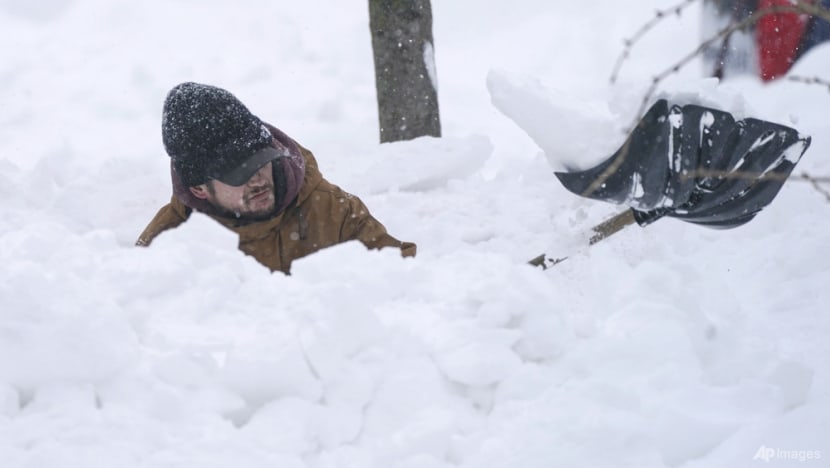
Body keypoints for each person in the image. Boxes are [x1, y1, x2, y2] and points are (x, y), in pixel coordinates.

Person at [137, 82, 416, 273]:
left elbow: (408, 279)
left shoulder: (332, 211)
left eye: (261, 162)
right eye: (239, 174)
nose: (258, 179)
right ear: (199, 189)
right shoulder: (166, 244)